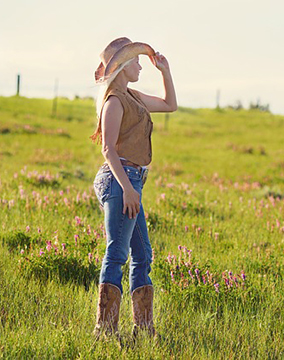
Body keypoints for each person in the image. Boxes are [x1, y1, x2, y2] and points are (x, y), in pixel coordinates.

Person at [90, 37, 177, 341]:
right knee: (117, 253)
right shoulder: (114, 100)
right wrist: (128, 189)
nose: (141, 65)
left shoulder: (133, 96)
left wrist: (165, 71)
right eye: (137, 61)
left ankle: (143, 328)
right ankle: (105, 330)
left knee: (142, 254)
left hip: (132, 180)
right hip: (119, 180)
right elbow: (108, 149)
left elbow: (170, 105)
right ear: (125, 66)